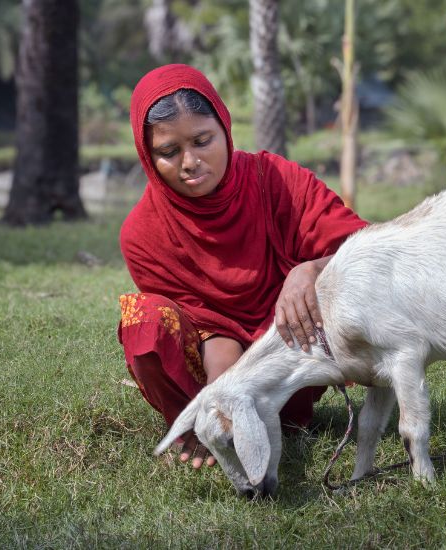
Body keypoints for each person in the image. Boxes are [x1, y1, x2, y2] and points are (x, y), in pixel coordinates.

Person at [118, 64, 369, 469]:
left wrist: (308, 271)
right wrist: (222, 402)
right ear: (147, 156)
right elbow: (211, 328)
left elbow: (367, 249)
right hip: (210, 372)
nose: (190, 162)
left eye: (203, 141)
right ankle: (199, 429)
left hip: (295, 355)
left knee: (341, 277)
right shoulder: (142, 233)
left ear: (225, 128)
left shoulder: (277, 180)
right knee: (143, 320)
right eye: (169, 152)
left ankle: (271, 416)